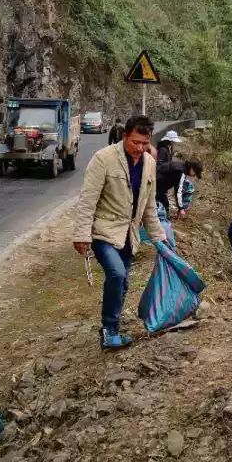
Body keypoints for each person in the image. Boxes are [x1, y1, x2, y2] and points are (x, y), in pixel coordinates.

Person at [72, 115, 166, 349]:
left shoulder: (149, 164)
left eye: (144, 143)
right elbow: (87, 199)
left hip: (129, 235)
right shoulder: (103, 159)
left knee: (122, 283)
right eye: (135, 142)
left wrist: (159, 239)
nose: (139, 148)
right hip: (104, 231)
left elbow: (149, 206)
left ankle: (112, 327)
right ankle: (109, 329)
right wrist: (81, 233)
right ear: (125, 136)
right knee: (116, 274)